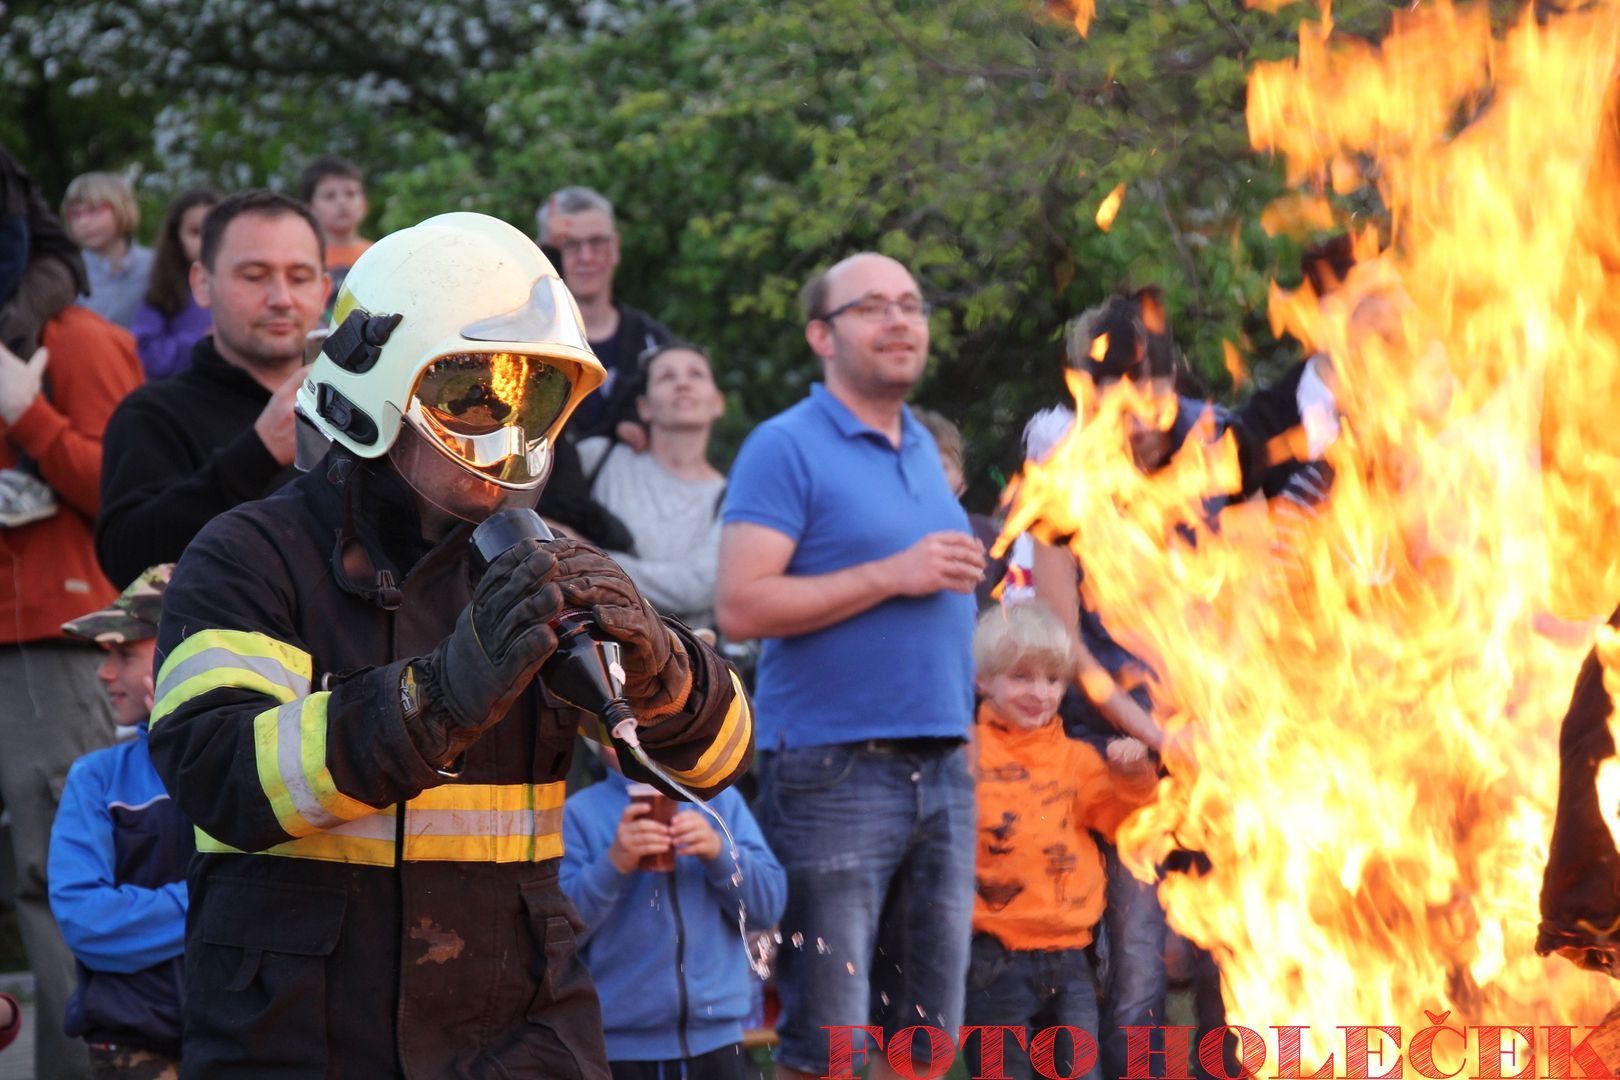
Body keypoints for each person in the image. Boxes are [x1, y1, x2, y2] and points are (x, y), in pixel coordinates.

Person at [145, 211, 753, 1078]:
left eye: (531, 396)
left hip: (520, 1045)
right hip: (301, 1044)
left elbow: (720, 758)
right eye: (471, 394)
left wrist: (660, 665)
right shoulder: (249, 557)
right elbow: (219, 773)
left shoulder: (547, 564)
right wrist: (435, 699)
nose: (504, 428)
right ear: (378, 384)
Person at [715, 252, 983, 1080]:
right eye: (874, 307)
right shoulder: (784, 446)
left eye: (912, 304)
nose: (901, 320)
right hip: (835, 773)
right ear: (821, 336)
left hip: (944, 767)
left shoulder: (918, 452)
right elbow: (741, 606)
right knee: (831, 1043)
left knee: (928, 1040)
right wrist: (892, 575)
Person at [0, 295, 141, 1080]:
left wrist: (26, 413)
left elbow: (121, 492)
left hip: (41, 650)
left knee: (59, 881)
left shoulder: (76, 338)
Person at [96, 189, 327, 589]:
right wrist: (257, 452)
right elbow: (126, 560)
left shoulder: (366, 405)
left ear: (325, 290)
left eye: (300, 277)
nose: (281, 299)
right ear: (202, 284)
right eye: (254, 276)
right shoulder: (152, 414)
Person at [965, 602, 1157, 1080]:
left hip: (1070, 959)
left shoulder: (1078, 760)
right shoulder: (964, 754)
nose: (1040, 692)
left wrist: (1134, 778)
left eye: (1053, 680)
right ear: (984, 681)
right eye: (1021, 677)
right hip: (992, 961)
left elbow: (1124, 826)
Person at [562, 741, 785, 1080]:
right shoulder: (579, 814)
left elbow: (768, 907)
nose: (640, 741)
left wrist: (718, 853)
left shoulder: (718, 803)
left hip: (721, 1041)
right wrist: (612, 865)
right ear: (598, 740)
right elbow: (560, 935)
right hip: (618, 1050)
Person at [49, 565, 188, 1080]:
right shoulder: (96, 779)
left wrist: (184, 744)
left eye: (123, 653)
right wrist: (205, 906)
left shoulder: (246, 768)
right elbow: (85, 920)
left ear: (177, 653)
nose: (103, 673)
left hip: (245, 1038)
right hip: (129, 1043)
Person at [578, 341, 727, 629]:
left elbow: (694, 589)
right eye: (666, 377)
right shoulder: (598, 458)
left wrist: (585, 558)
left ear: (718, 403)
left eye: (695, 374)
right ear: (643, 407)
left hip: (683, 664)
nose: (682, 383)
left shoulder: (731, 498)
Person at [536, 186, 672, 441]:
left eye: (597, 242)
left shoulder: (653, 344)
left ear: (616, 247)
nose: (586, 257)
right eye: (570, 245)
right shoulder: (527, 343)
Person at [129, 188, 221, 380]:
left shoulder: (251, 287)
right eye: (195, 232)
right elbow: (145, 354)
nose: (206, 240)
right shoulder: (163, 292)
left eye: (214, 230)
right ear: (178, 238)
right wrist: (203, 340)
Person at [62, 173, 152, 330]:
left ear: (122, 209)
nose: (83, 222)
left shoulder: (155, 266)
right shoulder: (67, 273)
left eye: (94, 210)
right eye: (75, 214)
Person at [298, 155, 371, 302]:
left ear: (364, 204)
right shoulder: (300, 258)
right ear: (309, 208)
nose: (342, 202)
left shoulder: (377, 254)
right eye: (330, 196)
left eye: (351, 194)